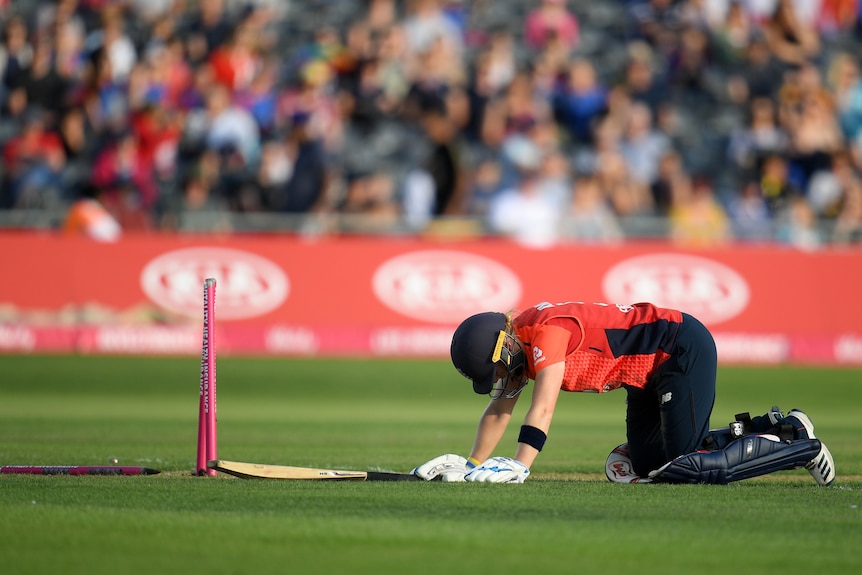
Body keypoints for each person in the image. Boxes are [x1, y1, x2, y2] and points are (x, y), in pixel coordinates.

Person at [413, 301, 836, 485]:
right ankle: (770, 430)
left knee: (687, 468)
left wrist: (520, 465)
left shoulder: (544, 333)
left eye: (498, 368)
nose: (502, 377)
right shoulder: (516, 339)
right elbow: (500, 407)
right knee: (650, 466)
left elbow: (542, 406)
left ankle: (797, 441)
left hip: (678, 348)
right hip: (644, 374)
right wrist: (471, 465)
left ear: (503, 346)